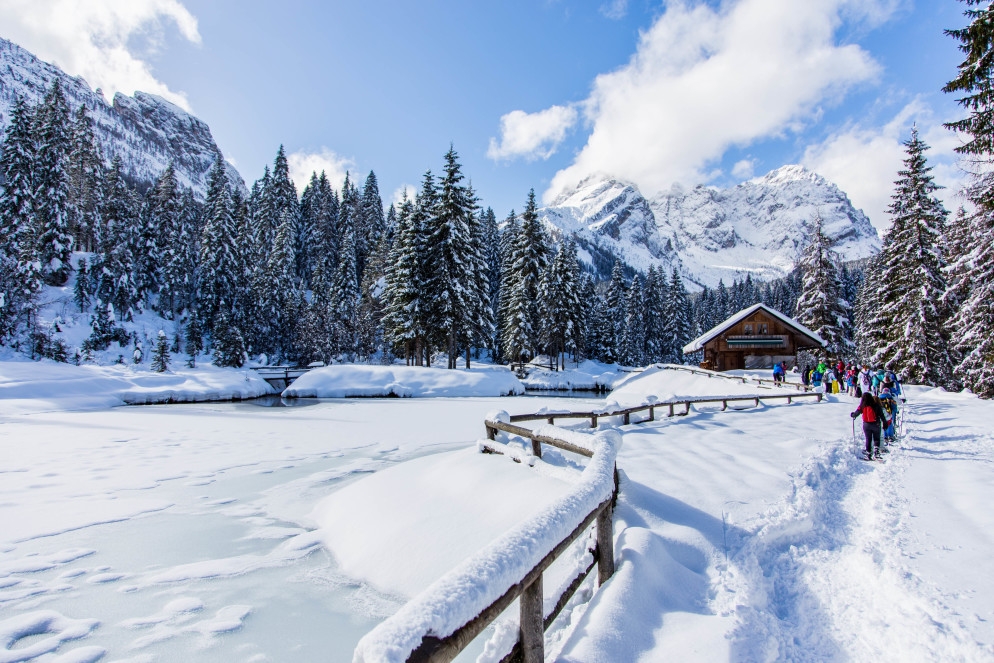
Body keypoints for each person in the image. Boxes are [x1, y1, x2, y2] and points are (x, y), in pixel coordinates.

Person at [852, 392, 887, 460]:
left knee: (868, 439)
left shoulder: (862, 406)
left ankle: (868, 454)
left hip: (866, 425)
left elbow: (856, 413)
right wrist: (884, 423)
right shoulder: (876, 405)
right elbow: (881, 415)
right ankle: (876, 453)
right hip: (876, 424)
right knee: (876, 439)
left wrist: (853, 415)